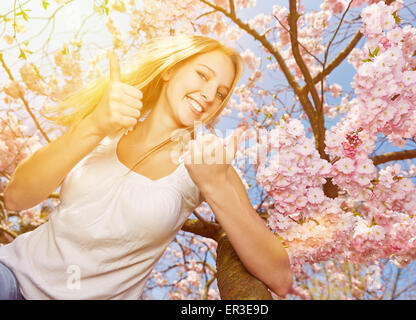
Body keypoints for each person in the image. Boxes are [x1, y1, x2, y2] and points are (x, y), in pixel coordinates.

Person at [0, 35, 292, 300]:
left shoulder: (209, 161)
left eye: (220, 93)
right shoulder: (107, 125)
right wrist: (94, 125)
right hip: (11, 276)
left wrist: (216, 187)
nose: (208, 95)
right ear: (170, 70)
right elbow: (17, 198)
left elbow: (279, 278)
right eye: (202, 75)